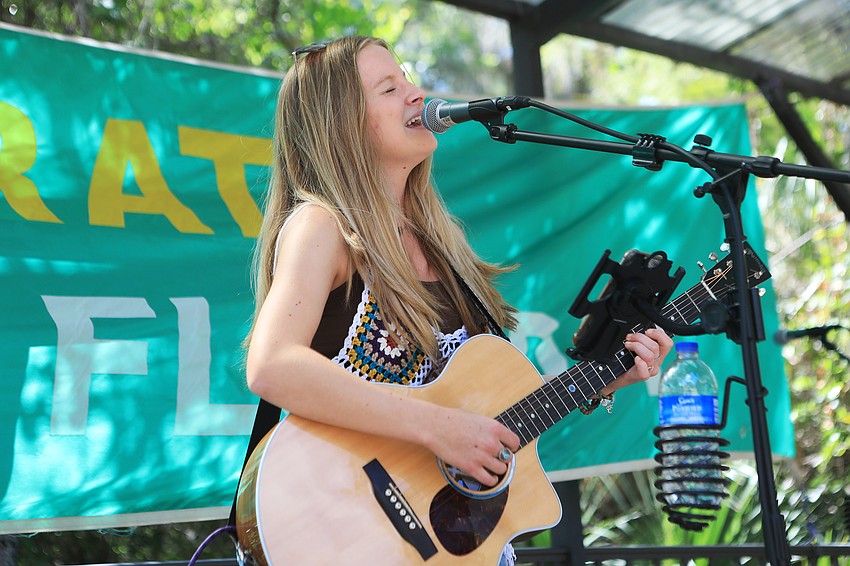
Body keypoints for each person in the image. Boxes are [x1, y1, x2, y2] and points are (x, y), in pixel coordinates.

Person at [243, 35, 673, 565]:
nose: (416, 95)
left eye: (409, 79)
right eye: (389, 87)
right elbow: (272, 366)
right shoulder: (323, 226)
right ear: (341, 121)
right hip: (346, 526)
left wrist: (601, 378)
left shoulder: (442, 245)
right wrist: (437, 428)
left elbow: (479, 414)